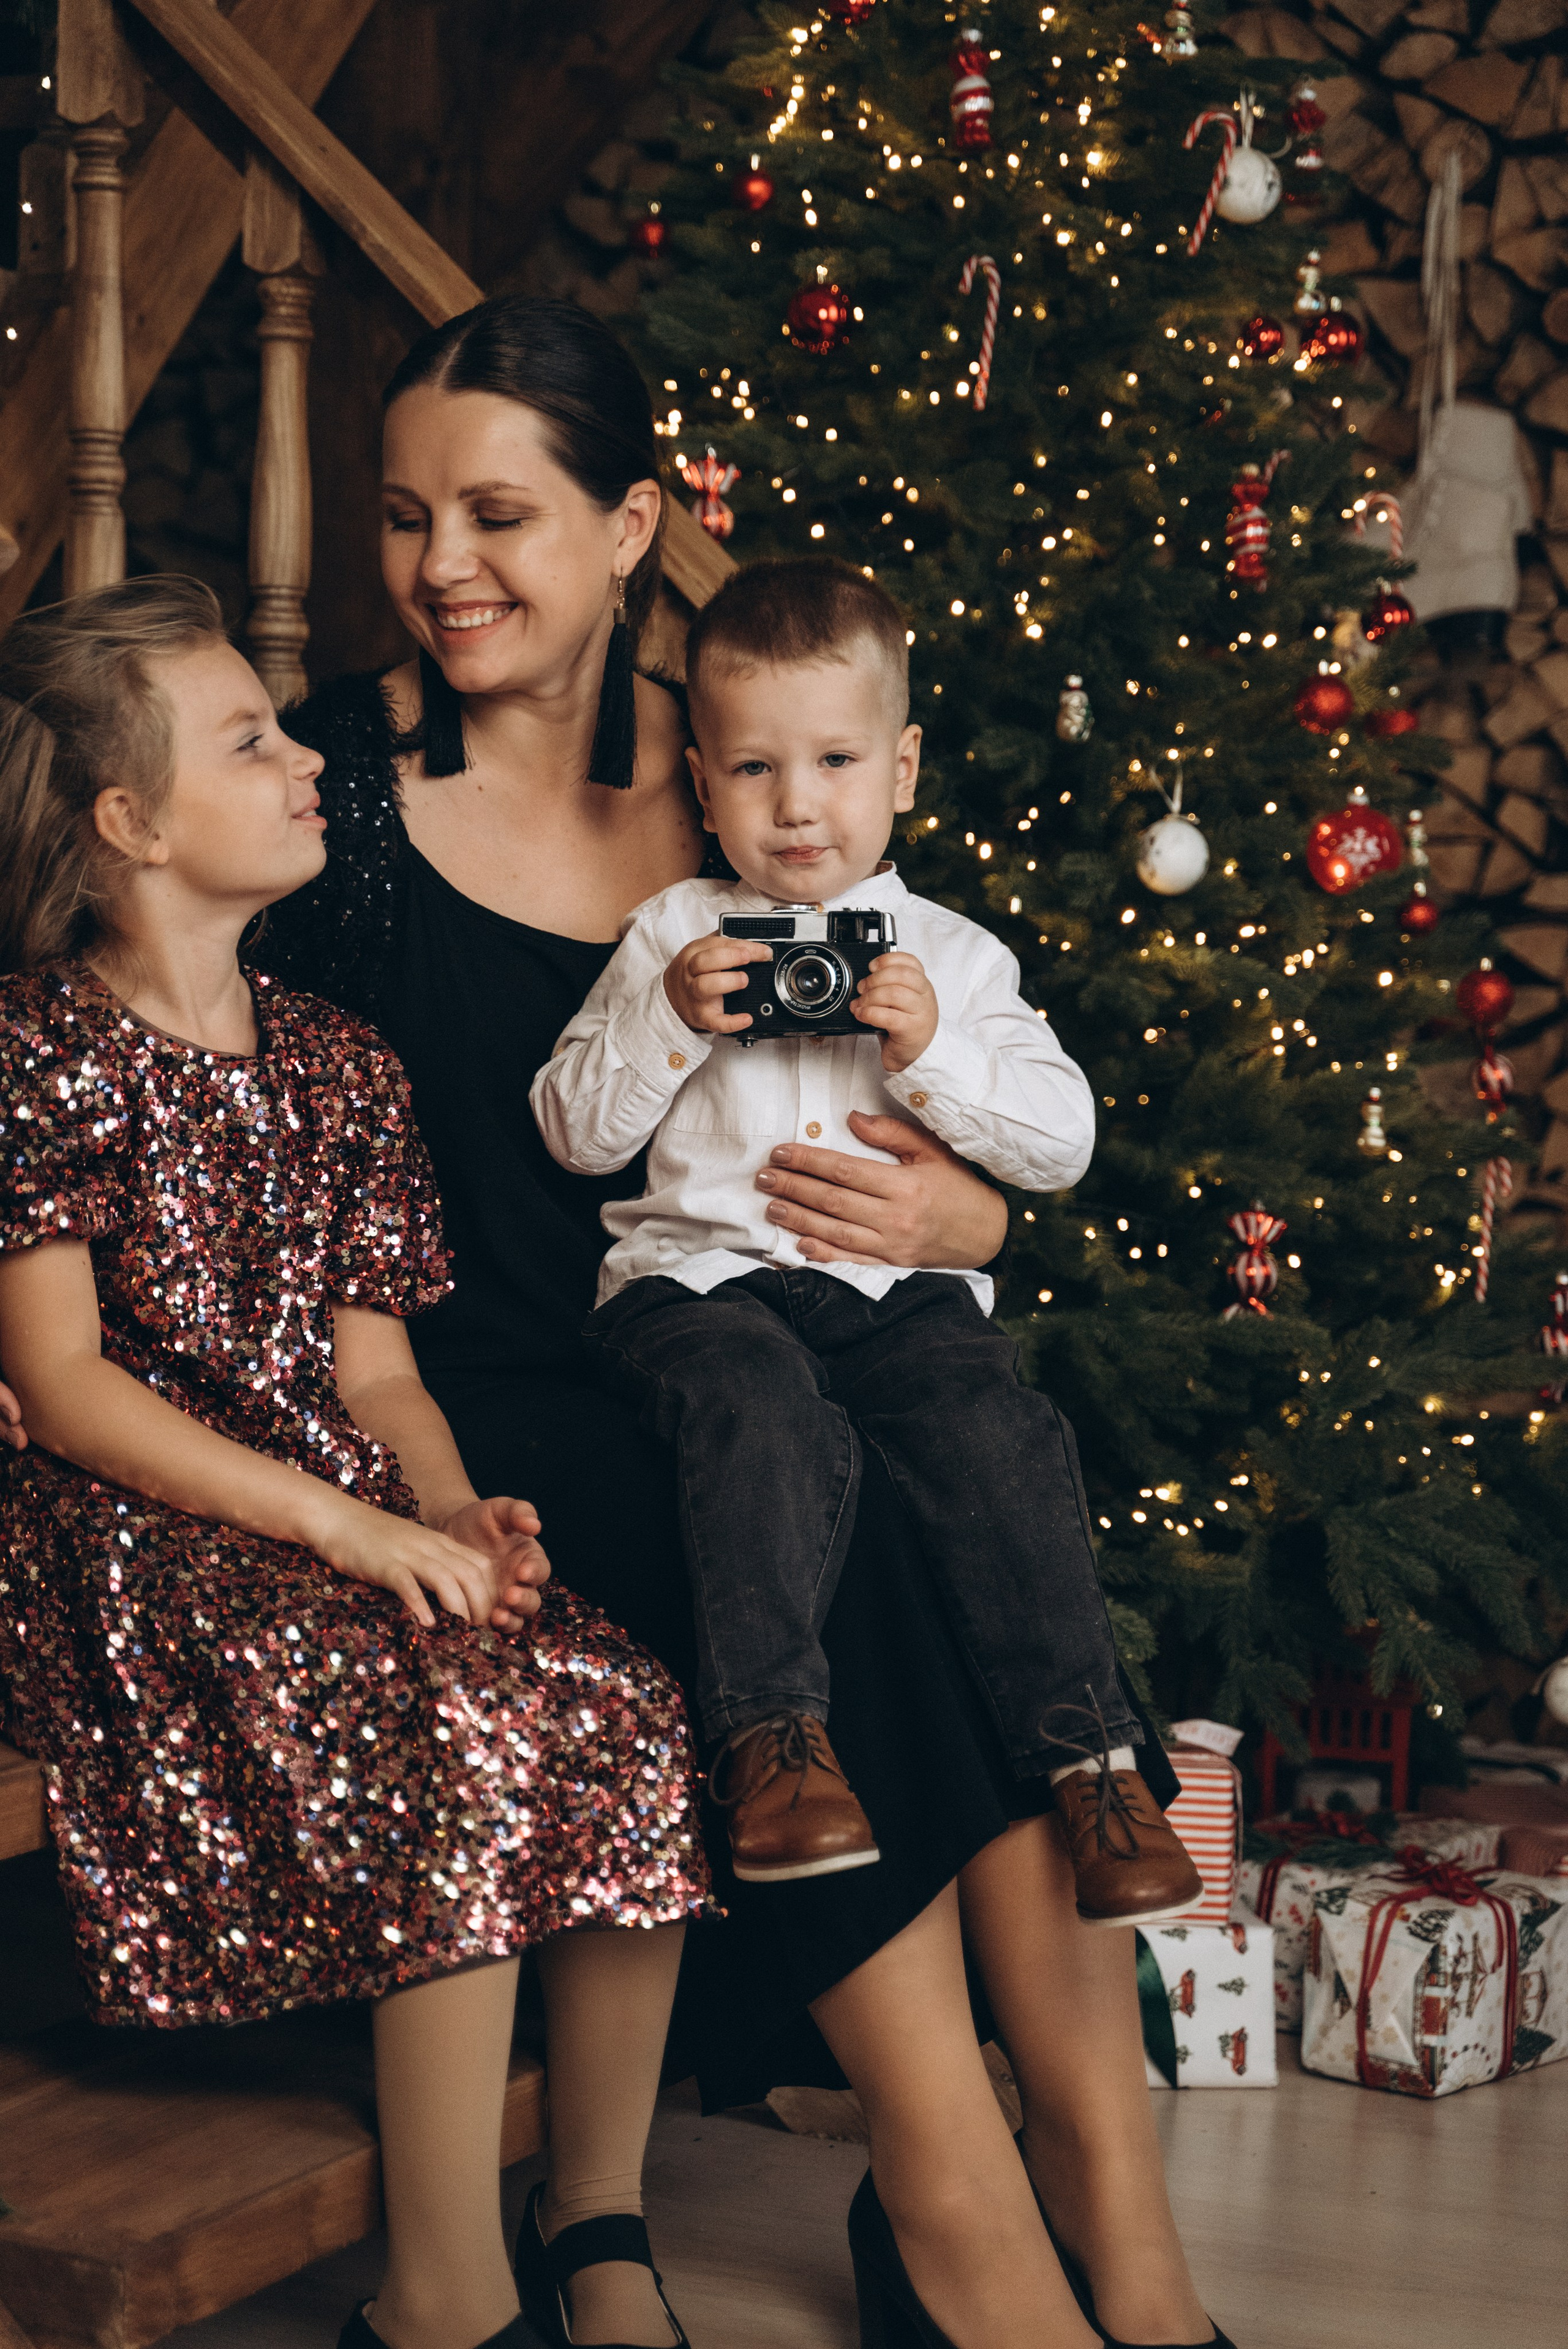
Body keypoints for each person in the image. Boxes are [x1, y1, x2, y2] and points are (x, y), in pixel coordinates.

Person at [247, 294, 1231, 2349]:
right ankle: (954, 2200)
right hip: (479, 1381)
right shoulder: (323, 792)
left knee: (965, 1491)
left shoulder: (742, 796)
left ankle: (1116, 2206)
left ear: (625, 532)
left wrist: (966, 1204)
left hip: (751, 1324)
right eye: (409, 513)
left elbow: (919, 1086)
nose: (443, 563)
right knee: (839, 1525)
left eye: (500, 512)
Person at [0, 579, 711, 2349]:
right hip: (129, 1530)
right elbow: (68, 1388)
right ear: (130, 822)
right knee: (449, 1731)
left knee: (616, 1702)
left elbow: (378, 1372)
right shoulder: (39, 1048)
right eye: (250, 737)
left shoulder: (339, 1062)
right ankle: (442, 2291)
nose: (306, 751)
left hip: (333, 1507)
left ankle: (596, 2214)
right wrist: (338, 1525)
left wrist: (447, 1510)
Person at [532, 557, 1202, 1932]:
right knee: (753, 1403)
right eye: (755, 768)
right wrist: (666, 1018)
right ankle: (773, 1748)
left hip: (894, 1302)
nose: (796, 805)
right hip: (697, 1290)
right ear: (703, 786)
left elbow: (1062, 1141)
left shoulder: (950, 958)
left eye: (834, 760)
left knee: (997, 1429)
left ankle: (1092, 1763)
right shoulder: (670, 932)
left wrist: (930, 1046)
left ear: (899, 768)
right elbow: (571, 1134)